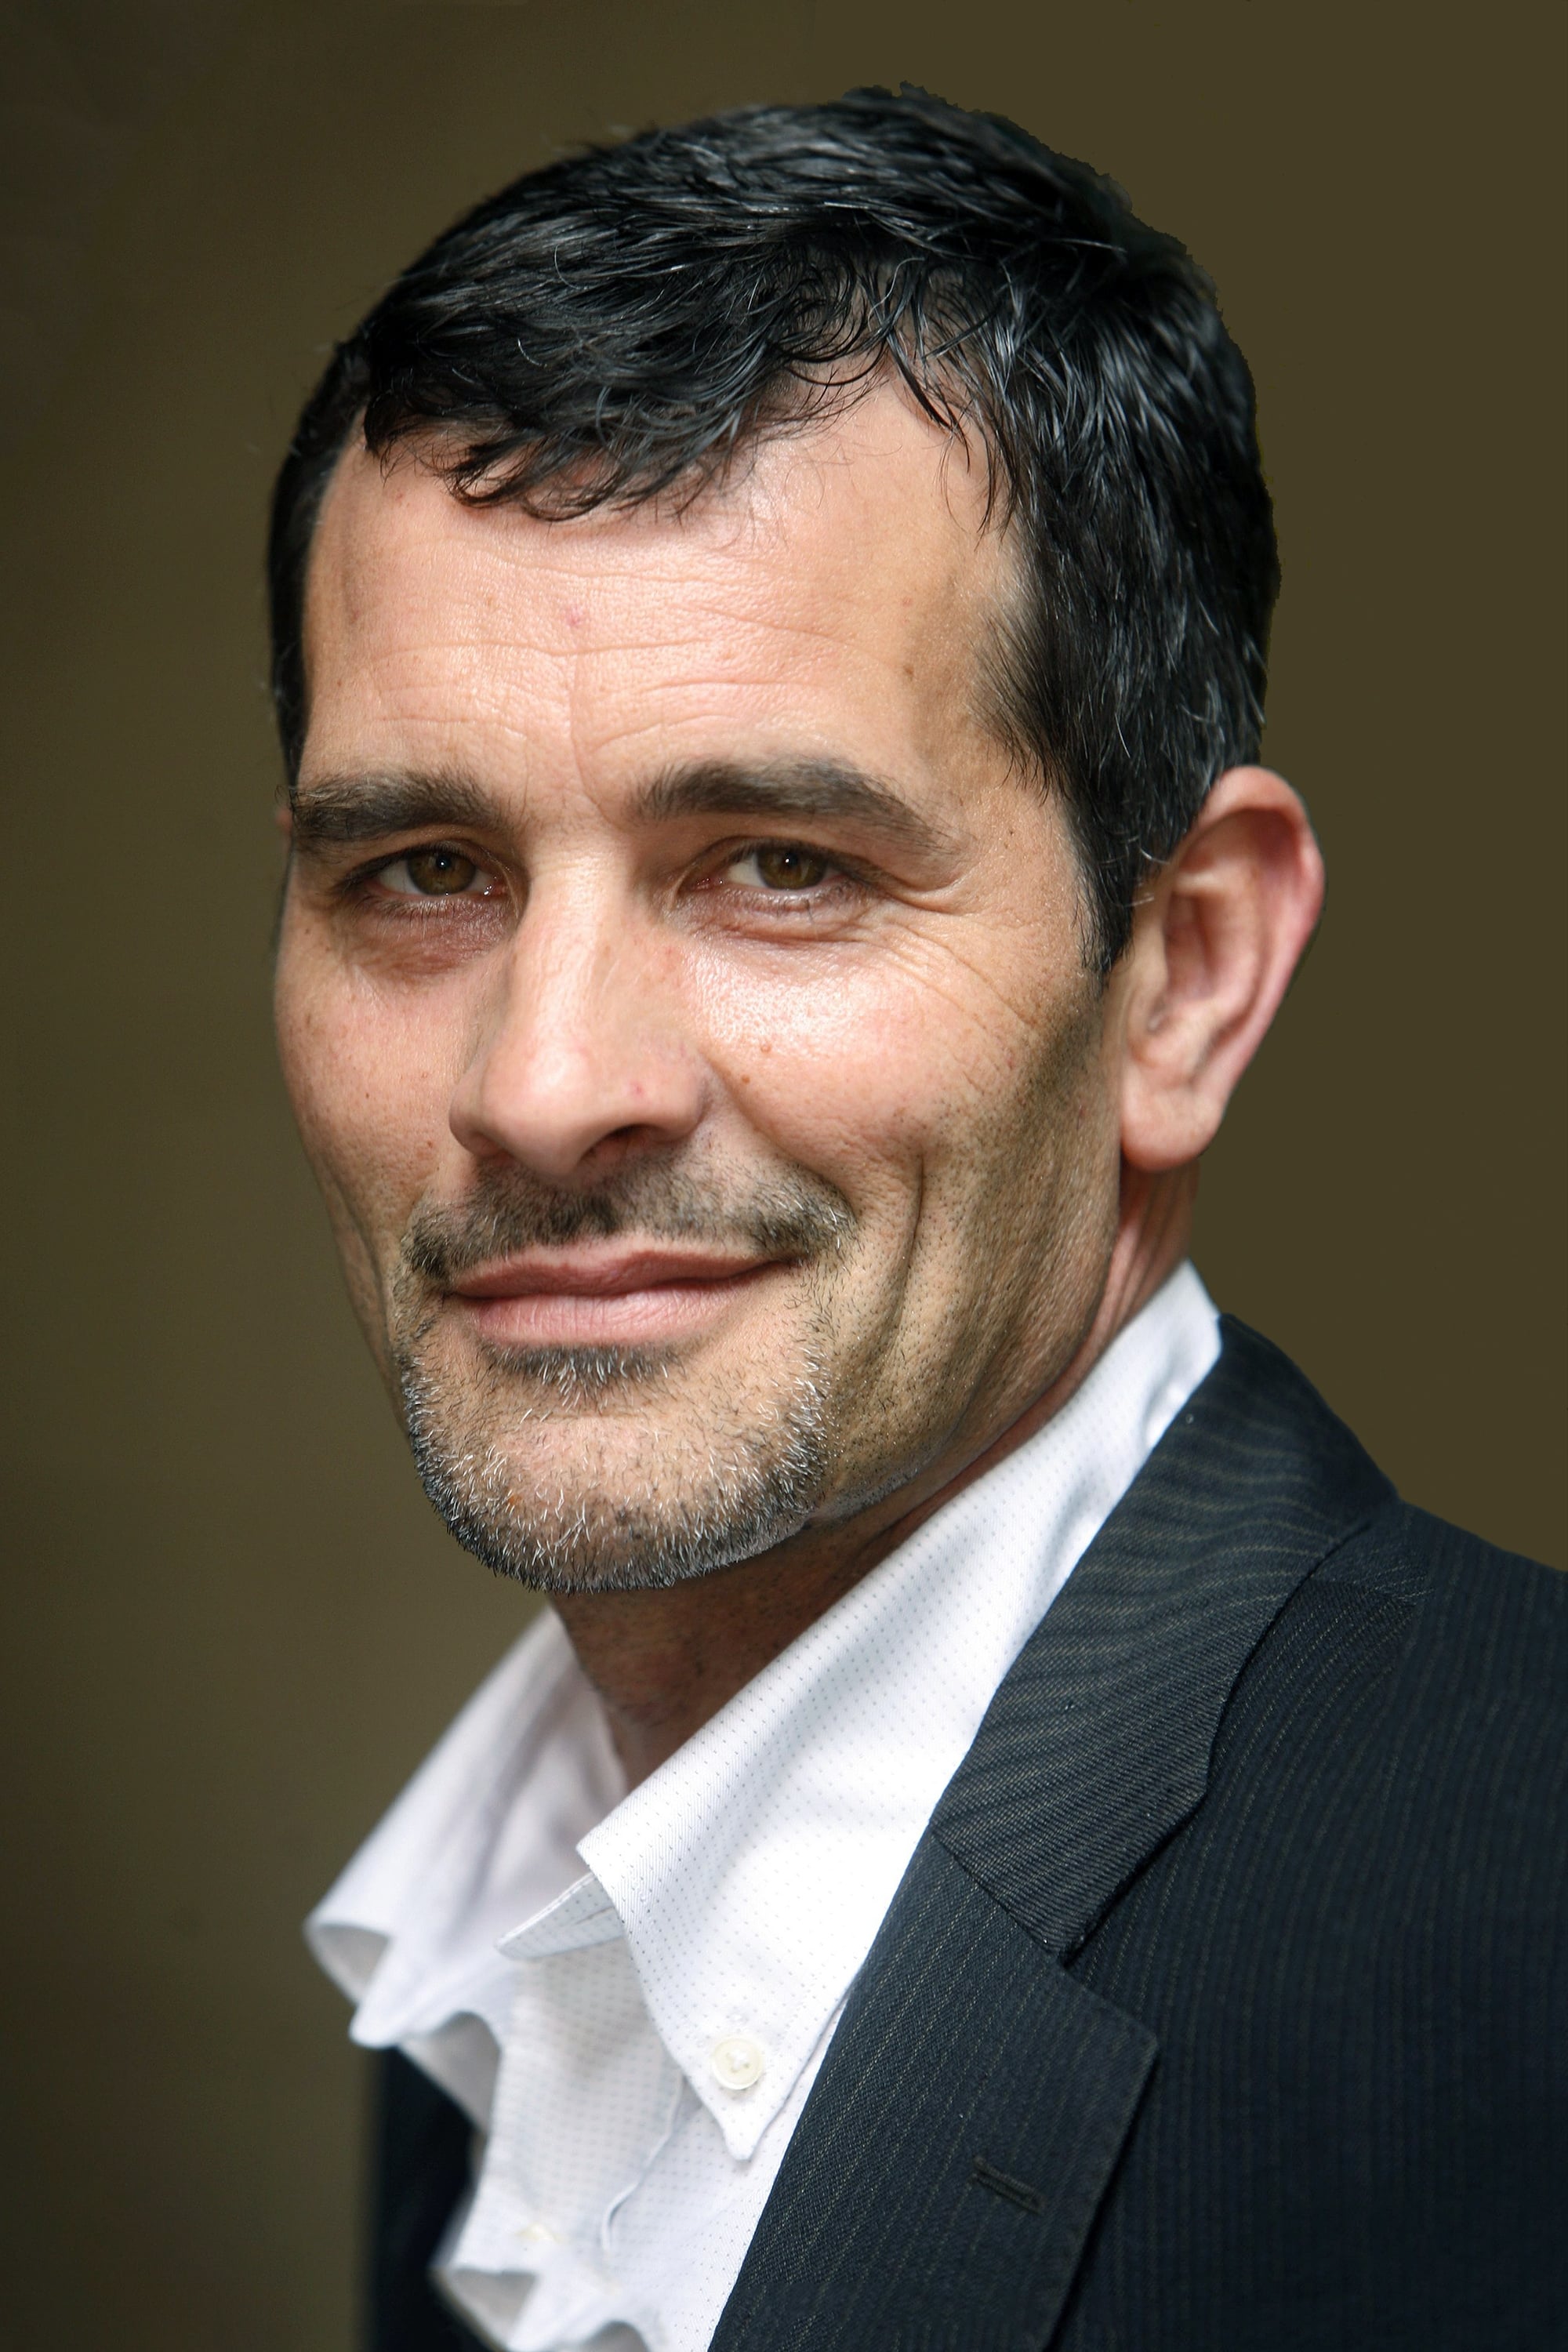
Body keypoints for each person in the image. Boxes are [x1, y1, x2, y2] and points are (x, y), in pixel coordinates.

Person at [268, 89, 1563, 2352]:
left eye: (782, 866)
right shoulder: (506, 1950)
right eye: (426, 871)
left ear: (1185, 974)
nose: (545, 1086)